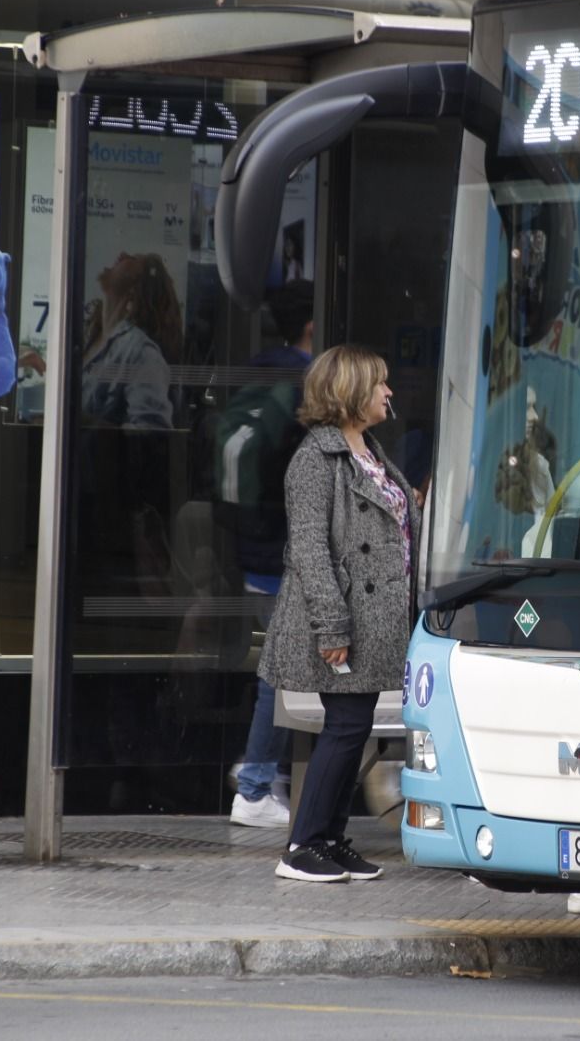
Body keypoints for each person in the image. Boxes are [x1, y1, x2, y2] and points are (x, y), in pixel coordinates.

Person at [259, 344, 420, 882]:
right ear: (351, 392)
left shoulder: (368, 450)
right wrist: (333, 626)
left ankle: (327, 838)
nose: (388, 393)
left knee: (355, 726)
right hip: (341, 618)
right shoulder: (315, 459)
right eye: (379, 385)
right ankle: (302, 846)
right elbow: (309, 550)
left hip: (376, 618)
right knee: (347, 726)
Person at [226, 281, 319, 829]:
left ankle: (267, 776)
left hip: (252, 547)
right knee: (281, 674)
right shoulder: (307, 385)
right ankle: (257, 784)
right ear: (313, 325)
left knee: (280, 669)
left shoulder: (256, 374)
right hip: (287, 553)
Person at [81, 252, 182, 429]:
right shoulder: (89, 338)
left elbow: (152, 432)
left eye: (131, 260)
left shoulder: (141, 353)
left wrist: (78, 423)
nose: (121, 255)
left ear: (134, 290)